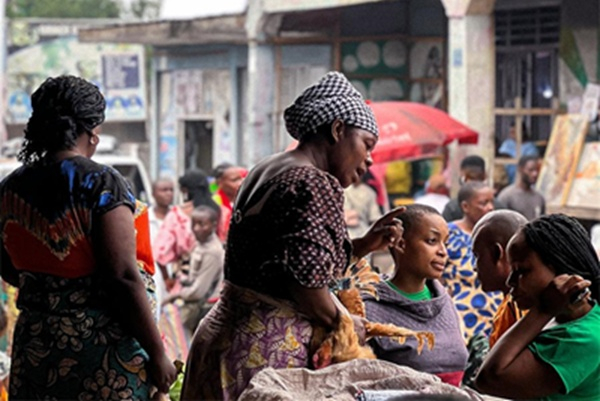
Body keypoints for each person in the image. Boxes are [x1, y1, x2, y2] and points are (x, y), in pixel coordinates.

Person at [180, 71, 405, 400]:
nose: (369, 160)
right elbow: (306, 284)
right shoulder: (313, 181)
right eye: (367, 145)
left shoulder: (268, 167)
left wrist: (364, 245)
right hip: (267, 350)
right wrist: (342, 321)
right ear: (338, 129)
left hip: (224, 336)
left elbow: (284, 259)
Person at [0, 76, 176, 399]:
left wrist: (50, 292)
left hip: (36, 347)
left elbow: (8, 269)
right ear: (92, 130)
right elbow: (122, 276)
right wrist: (158, 352)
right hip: (100, 352)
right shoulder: (101, 183)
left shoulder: (11, 187)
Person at [476, 214, 600, 400]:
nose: (510, 282)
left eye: (521, 271)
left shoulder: (583, 338)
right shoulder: (564, 320)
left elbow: (489, 379)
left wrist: (543, 310)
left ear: (562, 272)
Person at [362, 205, 468, 386]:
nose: (443, 252)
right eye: (432, 241)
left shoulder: (443, 301)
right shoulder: (368, 307)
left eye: (446, 243)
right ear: (401, 244)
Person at [443, 182, 503, 340]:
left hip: (497, 316)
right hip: (463, 320)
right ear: (465, 206)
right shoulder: (449, 235)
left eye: (492, 202)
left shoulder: (497, 233)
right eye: (483, 203)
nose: (490, 207)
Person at [162, 206, 224, 339]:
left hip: (202, 307)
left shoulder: (212, 252)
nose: (196, 229)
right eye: (194, 224)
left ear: (213, 225)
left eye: (202, 224)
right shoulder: (199, 244)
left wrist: (175, 296)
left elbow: (198, 292)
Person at [154, 169, 220, 289]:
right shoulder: (219, 211)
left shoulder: (177, 215)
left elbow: (160, 253)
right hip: (217, 277)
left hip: (186, 279)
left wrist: (167, 279)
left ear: (184, 190)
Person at [471, 210, 528, 348]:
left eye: (478, 256)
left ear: (497, 254)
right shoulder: (510, 303)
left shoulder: (525, 307)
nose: (474, 267)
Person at [442, 156, 504, 222]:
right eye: (483, 203)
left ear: (463, 178)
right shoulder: (499, 207)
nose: (490, 207)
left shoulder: (453, 207)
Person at [497, 155, 545, 221]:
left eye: (537, 170)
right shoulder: (507, 196)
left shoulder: (539, 198)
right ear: (520, 169)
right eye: (530, 170)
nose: (535, 174)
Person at [212, 163, 245, 242]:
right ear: (220, 183)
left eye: (241, 178)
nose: (240, 183)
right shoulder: (215, 202)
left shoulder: (244, 199)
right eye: (234, 180)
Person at [344, 173, 382, 239]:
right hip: (363, 233)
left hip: (348, 233)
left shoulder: (341, 190)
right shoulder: (369, 192)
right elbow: (374, 217)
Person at [149, 177, 175, 242]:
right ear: (153, 194)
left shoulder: (178, 217)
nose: (169, 193)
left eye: (171, 190)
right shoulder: (146, 217)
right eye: (164, 190)